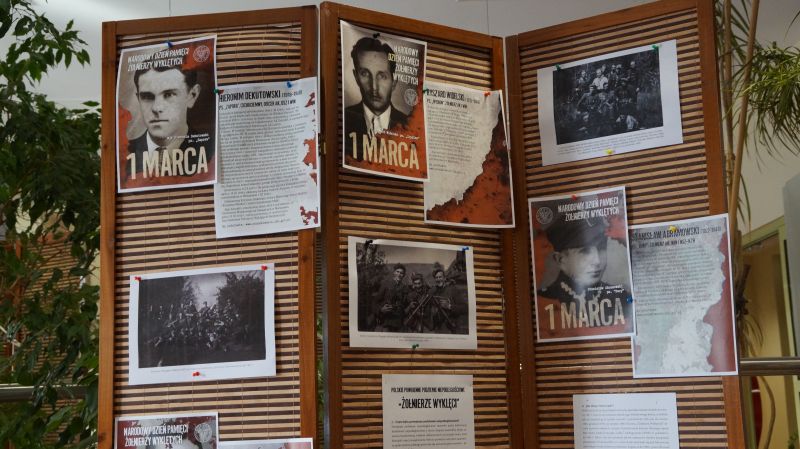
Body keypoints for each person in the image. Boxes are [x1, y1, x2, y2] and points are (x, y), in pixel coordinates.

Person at [537, 213, 632, 336]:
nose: (597, 261)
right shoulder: (544, 300)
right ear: (560, 260)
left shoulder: (622, 297)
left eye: (601, 248)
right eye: (585, 251)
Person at [126, 61, 214, 177]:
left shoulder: (211, 152)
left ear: (192, 95)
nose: (156, 108)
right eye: (147, 96)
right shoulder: (125, 154)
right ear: (138, 98)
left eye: (169, 95)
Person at [344, 36, 409, 160]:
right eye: (365, 74)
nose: (374, 87)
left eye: (382, 76)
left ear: (394, 81)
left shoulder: (410, 125)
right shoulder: (343, 120)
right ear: (356, 77)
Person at [373, 263, 409, 332]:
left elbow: (405, 304)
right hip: (386, 321)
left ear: (403, 275)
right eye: (397, 272)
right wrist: (381, 309)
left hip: (398, 322)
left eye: (401, 273)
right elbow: (375, 301)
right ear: (394, 272)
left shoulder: (404, 288)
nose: (399, 274)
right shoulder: (386, 284)